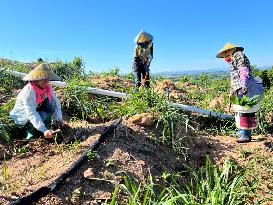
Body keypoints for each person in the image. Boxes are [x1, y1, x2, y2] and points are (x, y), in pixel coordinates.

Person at [216, 43, 263, 143]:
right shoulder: (233, 58)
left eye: (226, 52)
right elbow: (234, 78)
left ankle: (246, 135)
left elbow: (243, 70)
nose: (225, 55)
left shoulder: (238, 54)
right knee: (240, 109)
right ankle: (242, 131)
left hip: (244, 87)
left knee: (246, 110)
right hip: (239, 87)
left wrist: (244, 84)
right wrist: (232, 91)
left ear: (231, 49)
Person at [10, 63, 63, 140]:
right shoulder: (29, 91)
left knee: (52, 103)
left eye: (47, 79)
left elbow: (57, 102)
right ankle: (30, 132)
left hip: (36, 108)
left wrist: (58, 119)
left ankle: (46, 127)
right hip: (24, 115)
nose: (46, 81)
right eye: (43, 79)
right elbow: (31, 112)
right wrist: (44, 130)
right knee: (41, 116)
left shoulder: (48, 88)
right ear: (36, 79)